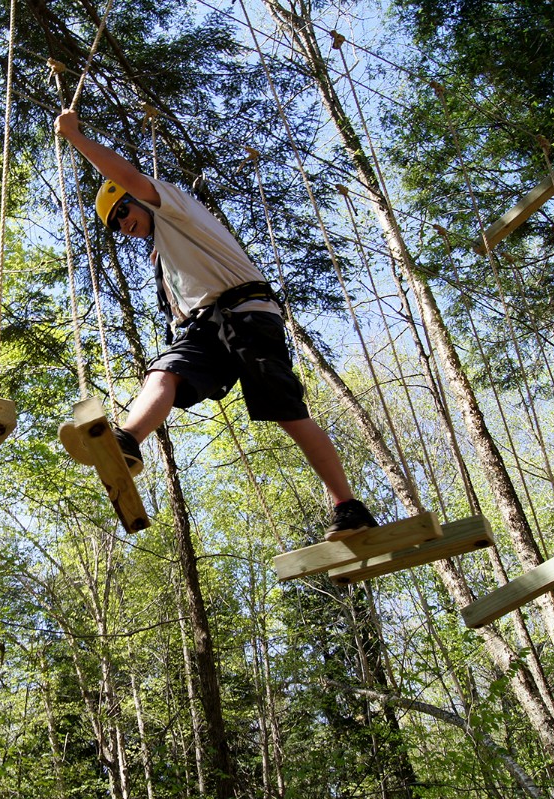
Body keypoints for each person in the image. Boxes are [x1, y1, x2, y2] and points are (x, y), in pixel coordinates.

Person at [55, 109, 377, 539]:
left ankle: (348, 505)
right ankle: (127, 440)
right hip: (204, 329)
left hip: (246, 315)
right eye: (114, 224)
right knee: (163, 370)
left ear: (139, 198)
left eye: (123, 210)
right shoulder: (165, 254)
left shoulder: (175, 207)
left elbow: (126, 174)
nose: (123, 223)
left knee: (286, 411)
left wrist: (76, 137)